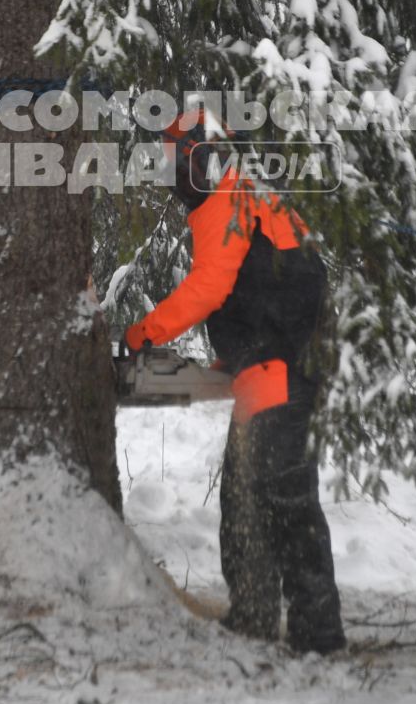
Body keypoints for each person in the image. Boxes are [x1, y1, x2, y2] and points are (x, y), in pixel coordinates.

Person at [122, 113, 346, 655]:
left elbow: (209, 287)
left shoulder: (233, 198)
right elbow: (251, 290)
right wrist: (238, 355)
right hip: (268, 366)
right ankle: (254, 613)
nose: (170, 171)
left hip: (281, 370)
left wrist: (142, 333)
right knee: (246, 498)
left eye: (177, 159)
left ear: (203, 157)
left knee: (284, 498)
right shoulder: (238, 199)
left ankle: (317, 631)